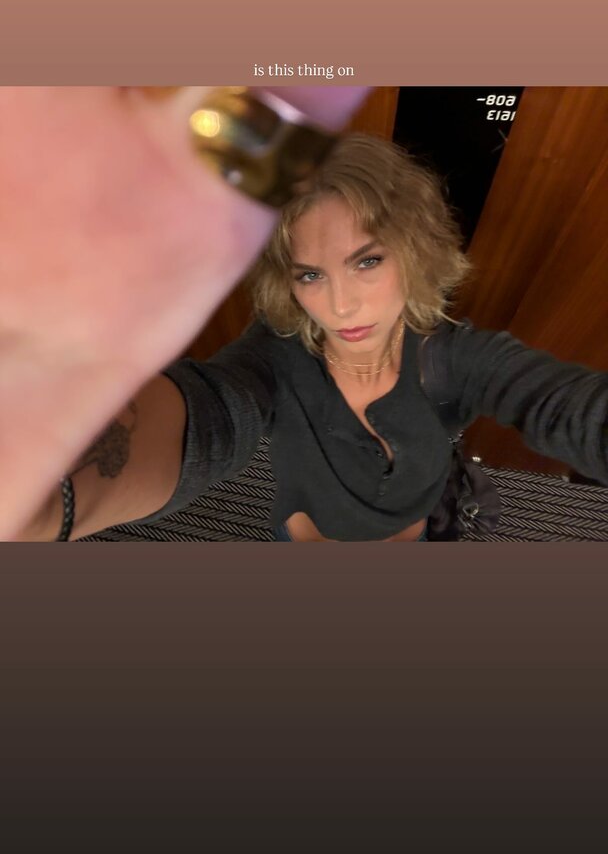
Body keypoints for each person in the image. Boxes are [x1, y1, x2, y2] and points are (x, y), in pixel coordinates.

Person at [3, 87, 607, 541]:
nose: (340, 306)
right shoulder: (274, 358)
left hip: (427, 527)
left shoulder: (456, 358)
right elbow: (210, 416)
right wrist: (44, 481)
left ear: (415, 251)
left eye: (367, 261)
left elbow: (567, 409)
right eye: (310, 275)